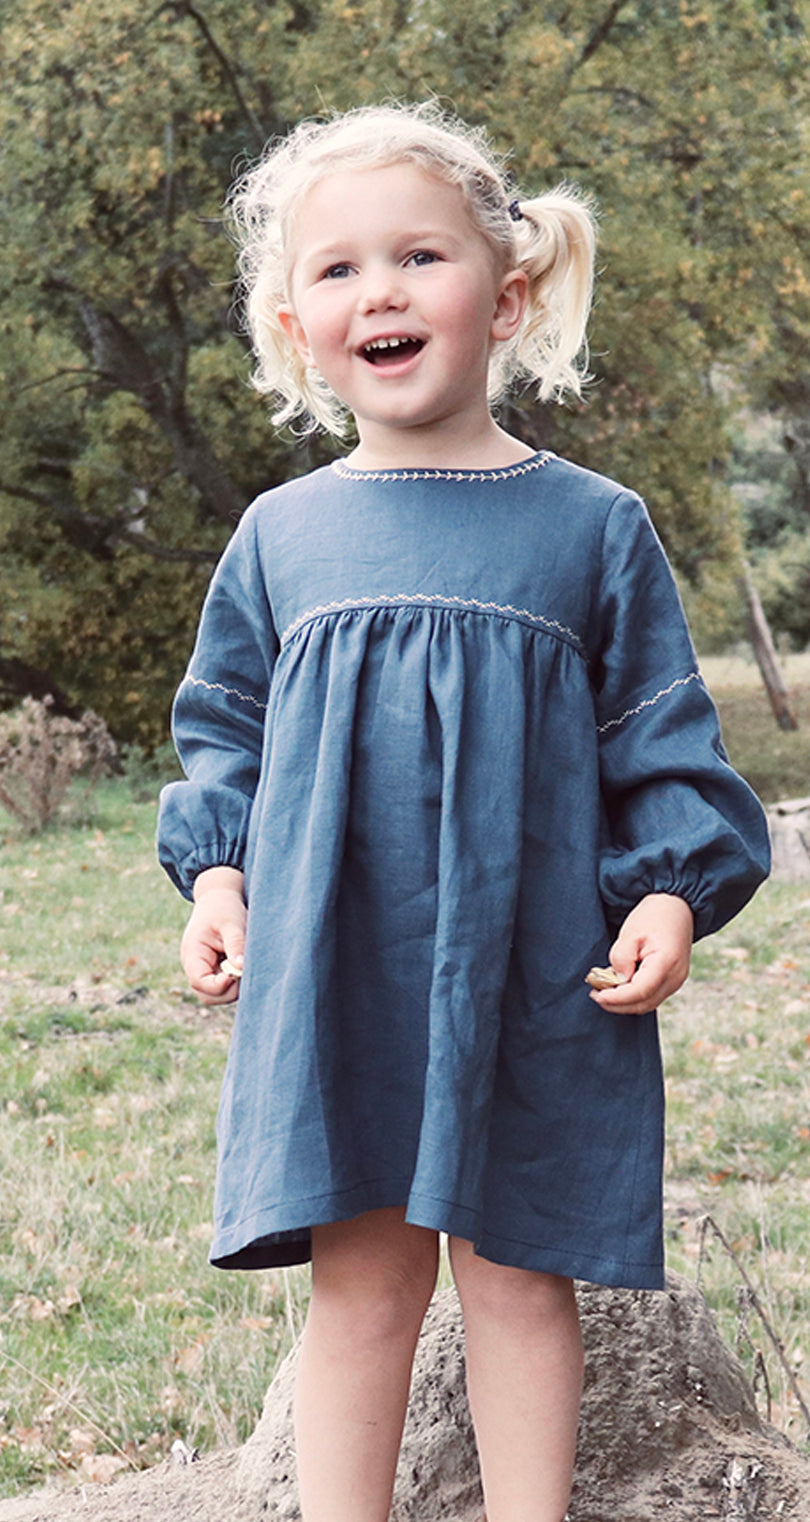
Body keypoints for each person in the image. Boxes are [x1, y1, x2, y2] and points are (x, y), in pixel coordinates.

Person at [156, 102, 771, 1522]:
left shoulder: (591, 525)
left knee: (514, 1269)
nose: (377, 289)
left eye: (416, 256)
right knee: (361, 1281)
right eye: (335, 270)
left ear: (501, 297)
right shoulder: (279, 534)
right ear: (293, 325)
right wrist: (216, 880)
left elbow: (662, 742)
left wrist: (672, 895)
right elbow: (223, 737)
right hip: (340, 969)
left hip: (534, 964)